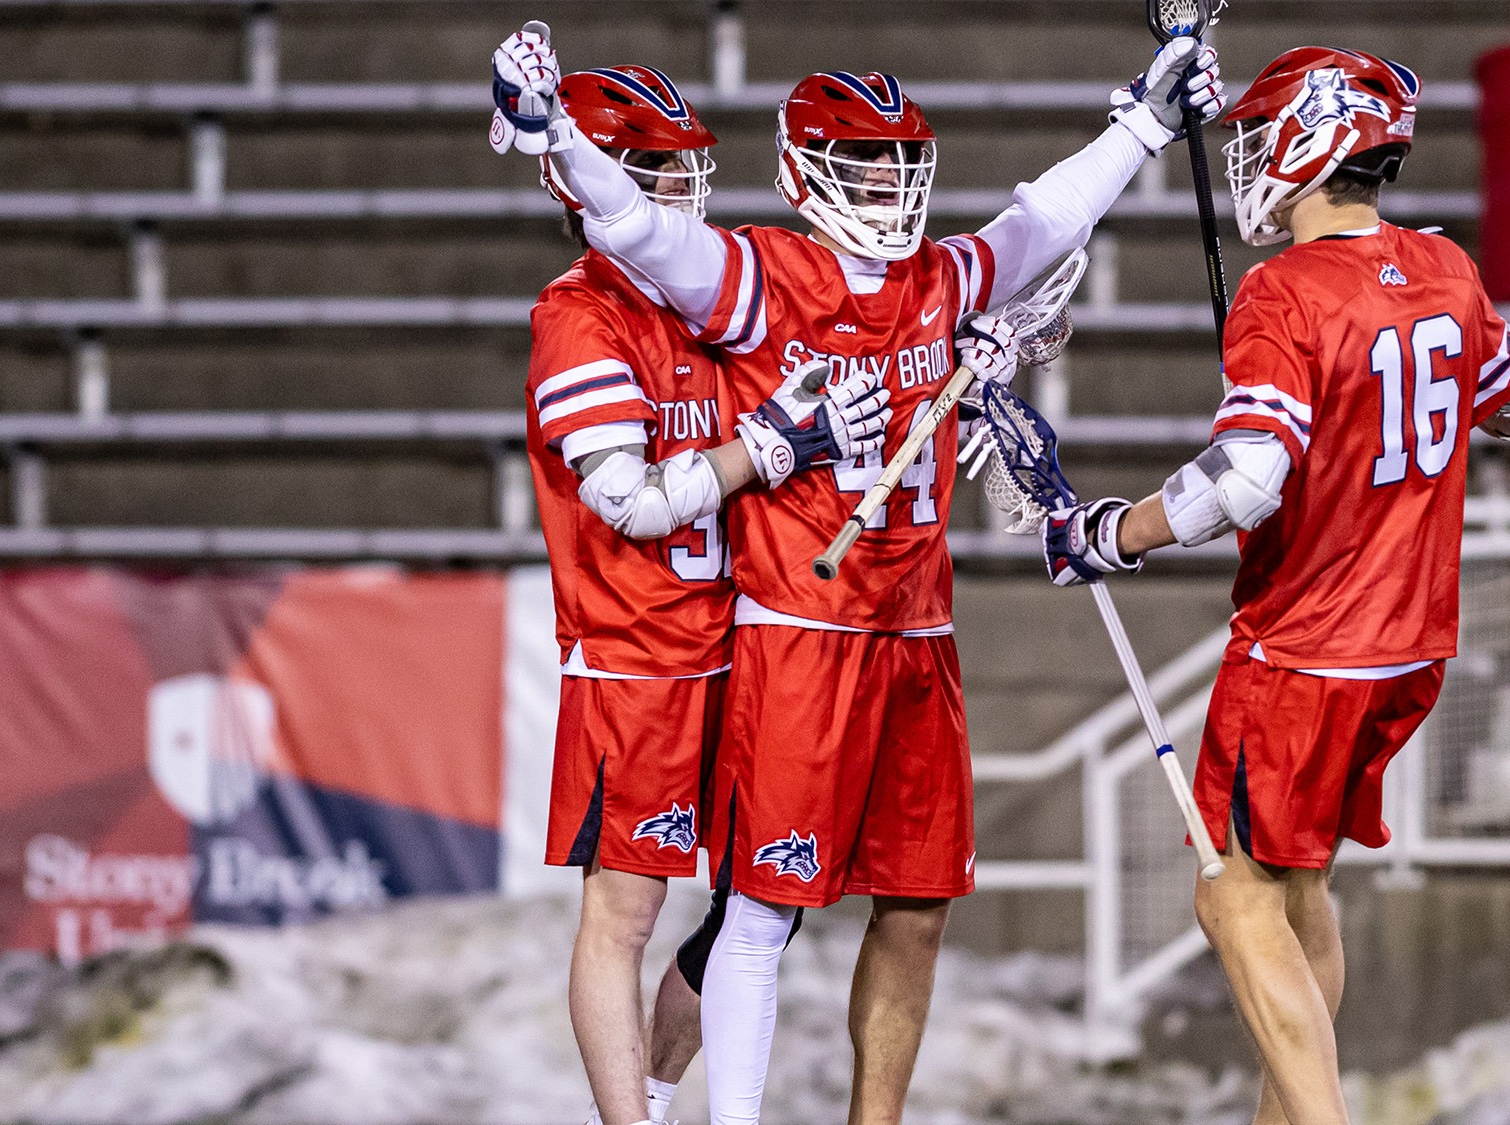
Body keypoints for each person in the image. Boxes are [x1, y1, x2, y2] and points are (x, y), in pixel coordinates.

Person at [493, 26, 1223, 1125]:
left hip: (915, 637)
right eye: (860, 166)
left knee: (907, 908)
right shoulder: (754, 280)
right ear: (801, 174)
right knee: (749, 910)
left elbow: (1046, 221)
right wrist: (557, 134)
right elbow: (635, 228)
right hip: (786, 634)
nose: (884, 186)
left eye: (898, 165)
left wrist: (1142, 121)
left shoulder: (938, 280)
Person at [1038, 47, 1510, 1125]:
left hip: (1303, 652)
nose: (1247, 159)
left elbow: (1242, 480)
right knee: (1294, 883)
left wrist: (1109, 534)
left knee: (1230, 898)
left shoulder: (1282, 293)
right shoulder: (1444, 269)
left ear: (1304, 146)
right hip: (1411, 649)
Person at [507, 58, 890, 1125]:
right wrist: (763, 452)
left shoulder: (717, 296)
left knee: (759, 904)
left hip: (756, 639)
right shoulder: (579, 315)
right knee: (624, 913)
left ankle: (663, 1099)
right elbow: (629, 500)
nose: (676, 193)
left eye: (686, 170)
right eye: (651, 170)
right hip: (639, 654)